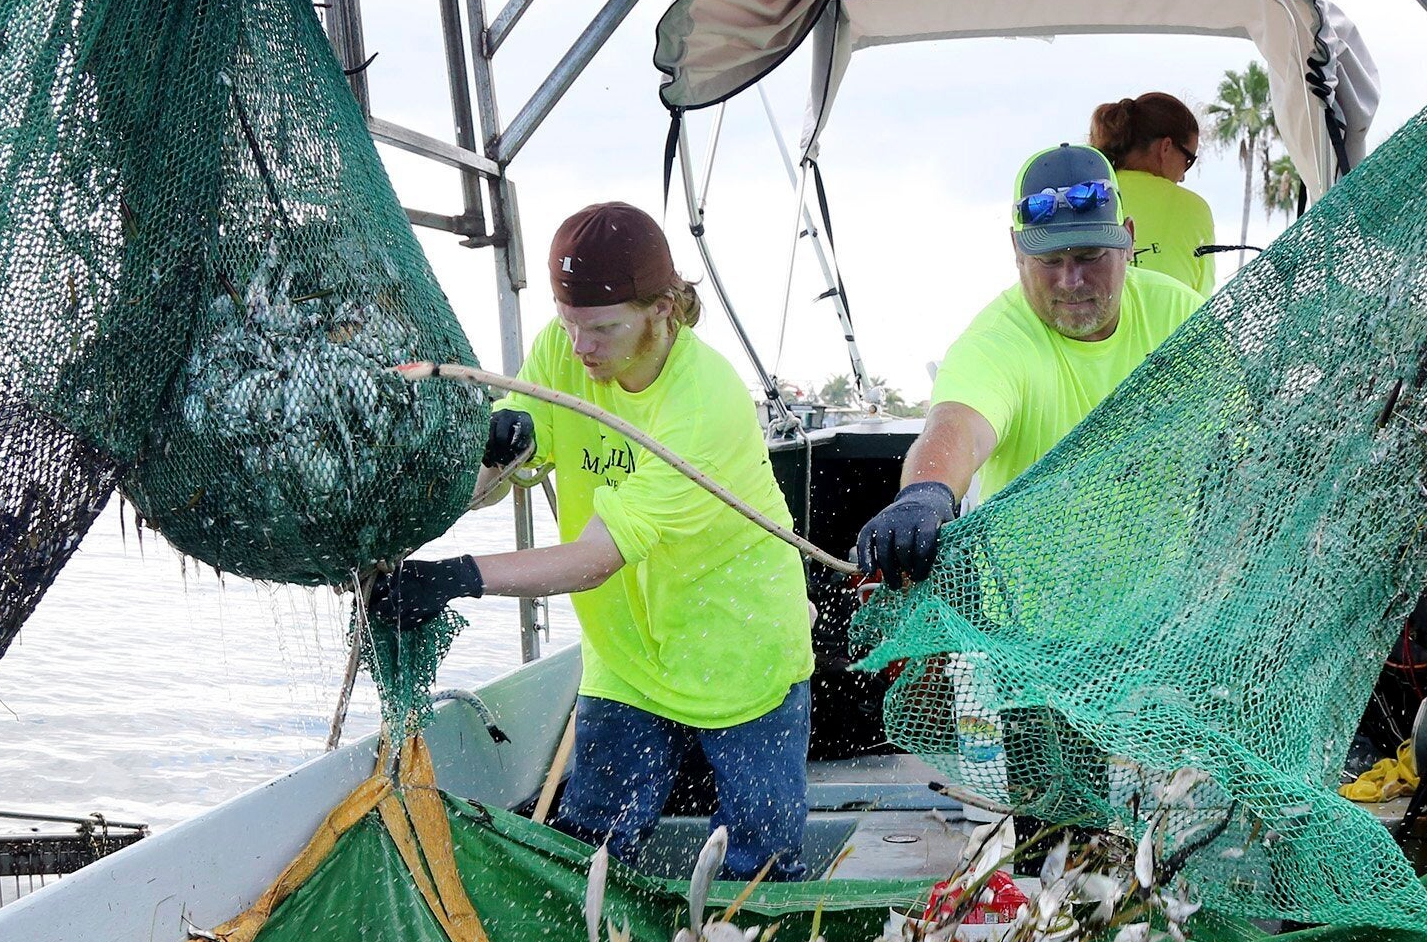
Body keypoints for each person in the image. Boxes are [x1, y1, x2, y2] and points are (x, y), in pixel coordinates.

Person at [373, 203, 816, 879]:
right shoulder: (565, 349)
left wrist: (459, 576)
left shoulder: (704, 402)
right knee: (590, 852)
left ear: (663, 309)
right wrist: (486, 455)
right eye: (568, 322)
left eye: (603, 329)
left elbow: (593, 560)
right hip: (626, 659)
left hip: (739, 647)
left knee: (760, 862)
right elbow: (501, 471)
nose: (581, 349)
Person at [853, 144, 1201, 584]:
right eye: (1050, 260)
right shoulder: (996, 342)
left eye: (1090, 256)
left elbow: (1247, 426)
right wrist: (924, 493)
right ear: (1017, 249)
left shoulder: (1181, 316)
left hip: (1168, 615)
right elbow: (957, 425)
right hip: (1029, 633)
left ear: (1128, 240)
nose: (1071, 281)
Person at [1090, 91, 1215, 297]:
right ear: (1166, 147)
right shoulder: (1193, 208)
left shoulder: (1086, 196)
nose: (1183, 176)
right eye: (1188, 160)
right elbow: (1200, 303)